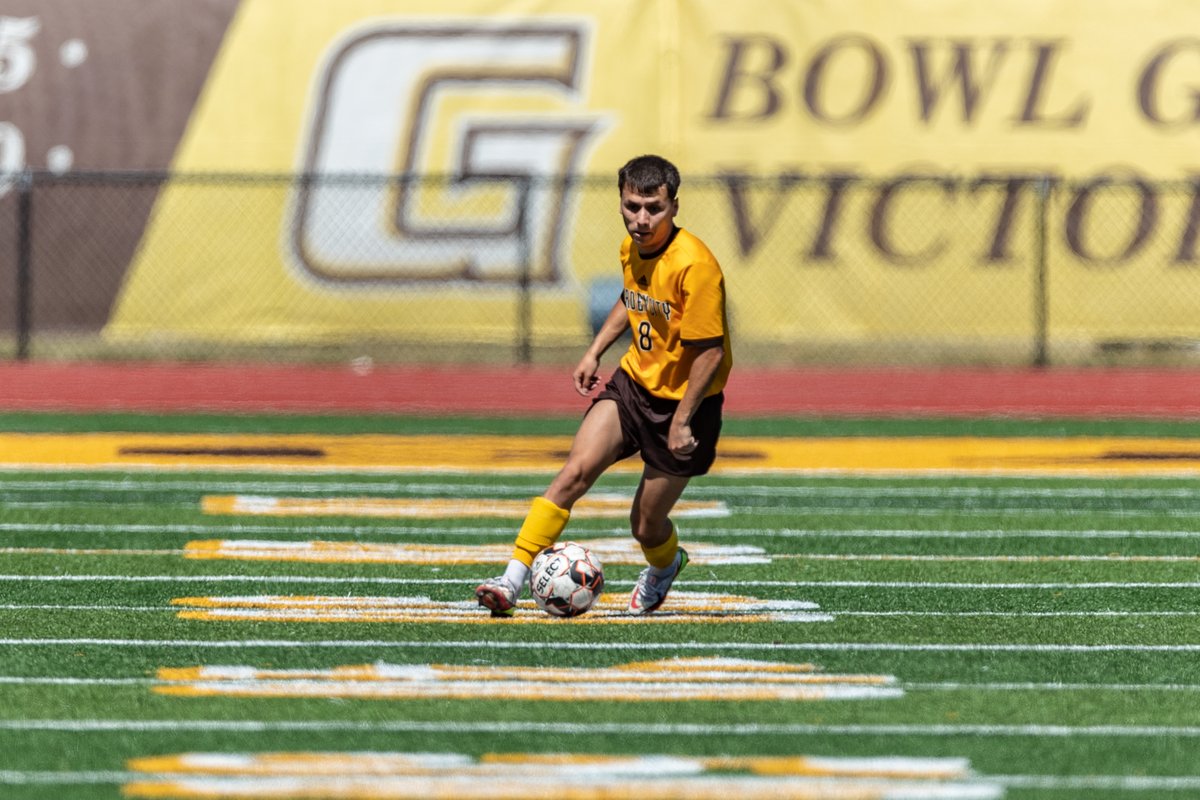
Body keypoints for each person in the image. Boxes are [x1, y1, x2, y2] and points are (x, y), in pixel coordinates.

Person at [475, 154, 733, 616]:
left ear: (674, 205)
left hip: (684, 407)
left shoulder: (696, 266)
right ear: (620, 202)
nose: (642, 219)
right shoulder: (630, 248)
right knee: (574, 473)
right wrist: (596, 351)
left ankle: (665, 564)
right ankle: (510, 581)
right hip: (633, 386)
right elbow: (633, 298)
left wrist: (681, 421)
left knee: (646, 525)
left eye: (654, 208)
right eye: (633, 206)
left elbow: (710, 353)